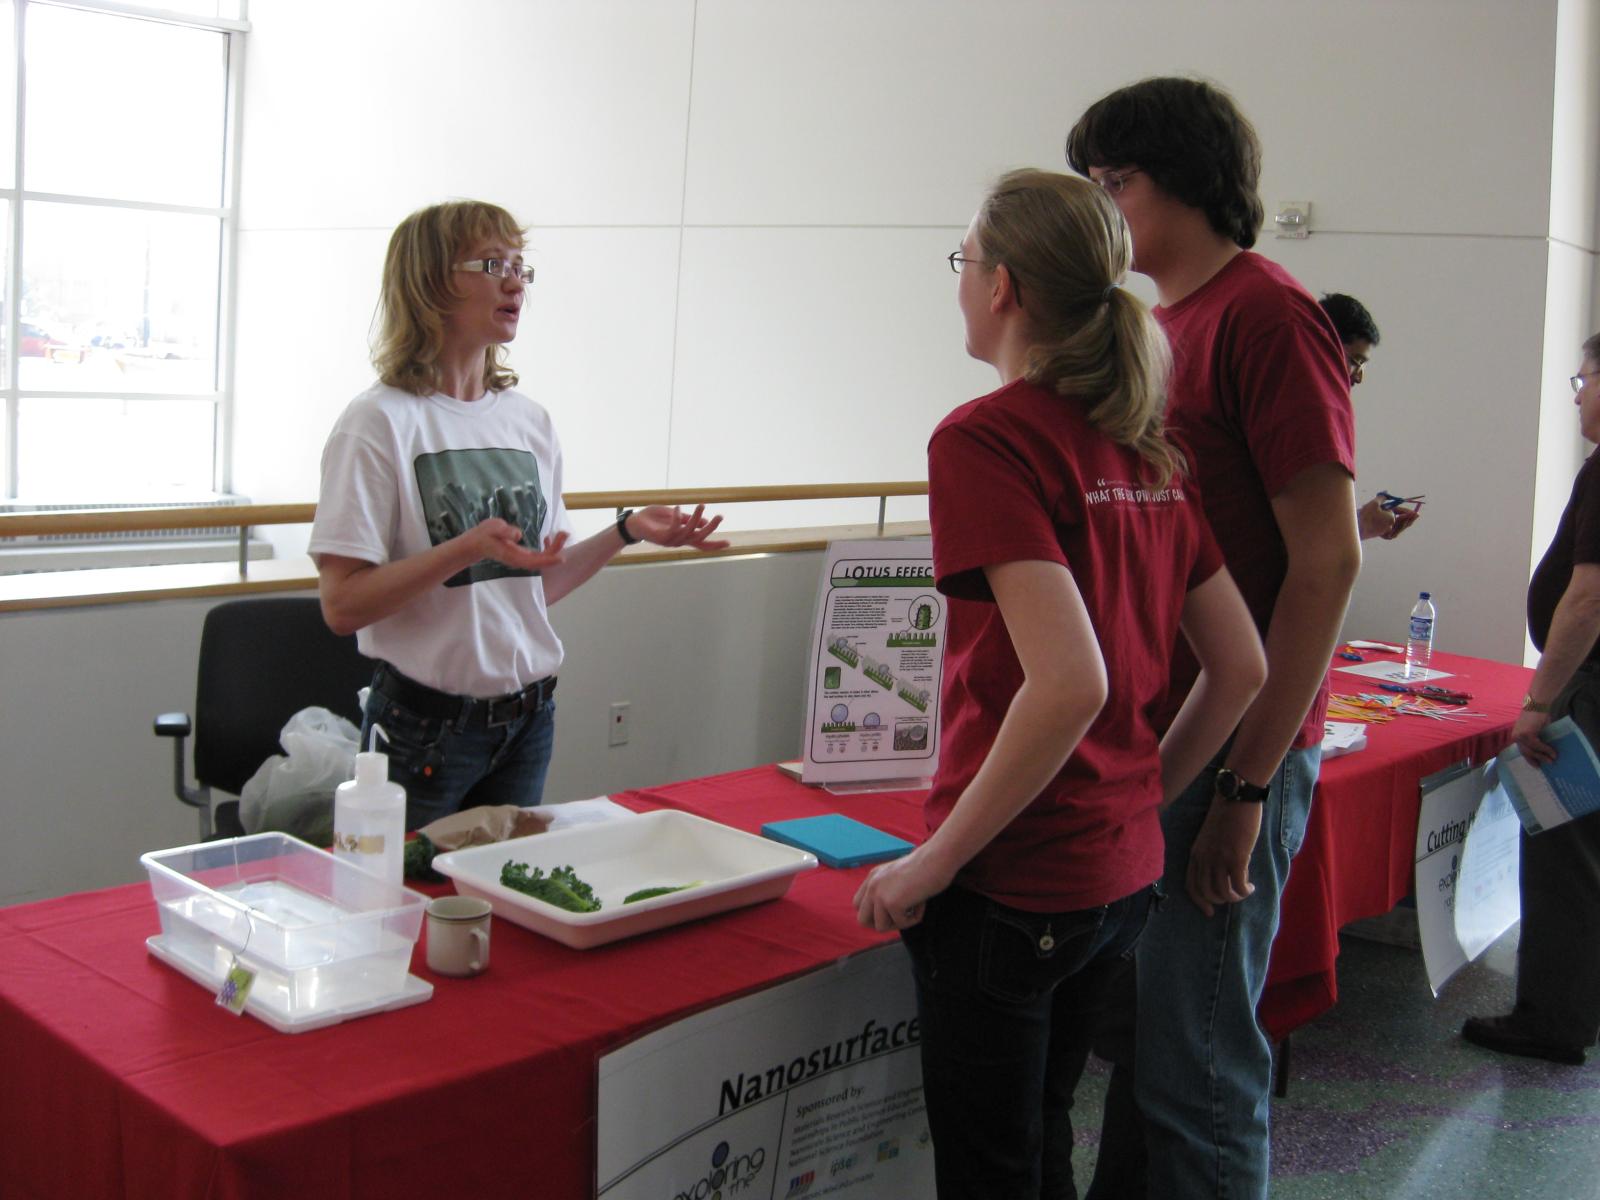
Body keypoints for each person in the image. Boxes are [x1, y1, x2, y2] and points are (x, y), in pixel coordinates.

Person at [852, 169, 1266, 1199]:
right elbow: (1241, 666)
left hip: (1012, 881)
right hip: (1116, 877)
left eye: (965, 262)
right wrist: (1140, 794)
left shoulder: (985, 438)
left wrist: (932, 865)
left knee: (993, 1166)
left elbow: (1066, 683)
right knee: (1041, 1139)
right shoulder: (1145, 450)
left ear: (1001, 288)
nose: (960, 283)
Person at [1067, 77, 1362, 1199]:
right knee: (1148, 1054)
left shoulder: (1265, 315)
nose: (1102, 209)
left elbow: (1327, 561)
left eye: (1116, 183)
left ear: (1187, 182)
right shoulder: (1158, 326)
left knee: (1198, 1075)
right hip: (1163, 734)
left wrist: (1246, 789)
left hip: (1232, 748)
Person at [309, 200, 727, 830]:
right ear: (430, 280)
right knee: (406, 911)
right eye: (491, 264)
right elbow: (342, 606)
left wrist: (625, 530)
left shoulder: (527, 421)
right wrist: (463, 548)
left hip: (527, 722)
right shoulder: (379, 423)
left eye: (521, 268)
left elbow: (536, 587)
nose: (514, 283)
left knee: (500, 914)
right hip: (423, 732)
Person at [1462, 333, 1600, 1066]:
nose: (1578, 395)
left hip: (1587, 697)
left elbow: (1586, 601)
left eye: (1583, 380)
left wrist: (1540, 702)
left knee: (1563, 851)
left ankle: (1552, 1018)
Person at [1319, 292, 1419, 541]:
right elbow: (1290, 538)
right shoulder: (1298, 416)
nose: (1359, 377)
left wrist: (1362, 523)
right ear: (1322, 343)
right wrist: (1361, 526)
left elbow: (1306, 525)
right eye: (1355, 361)